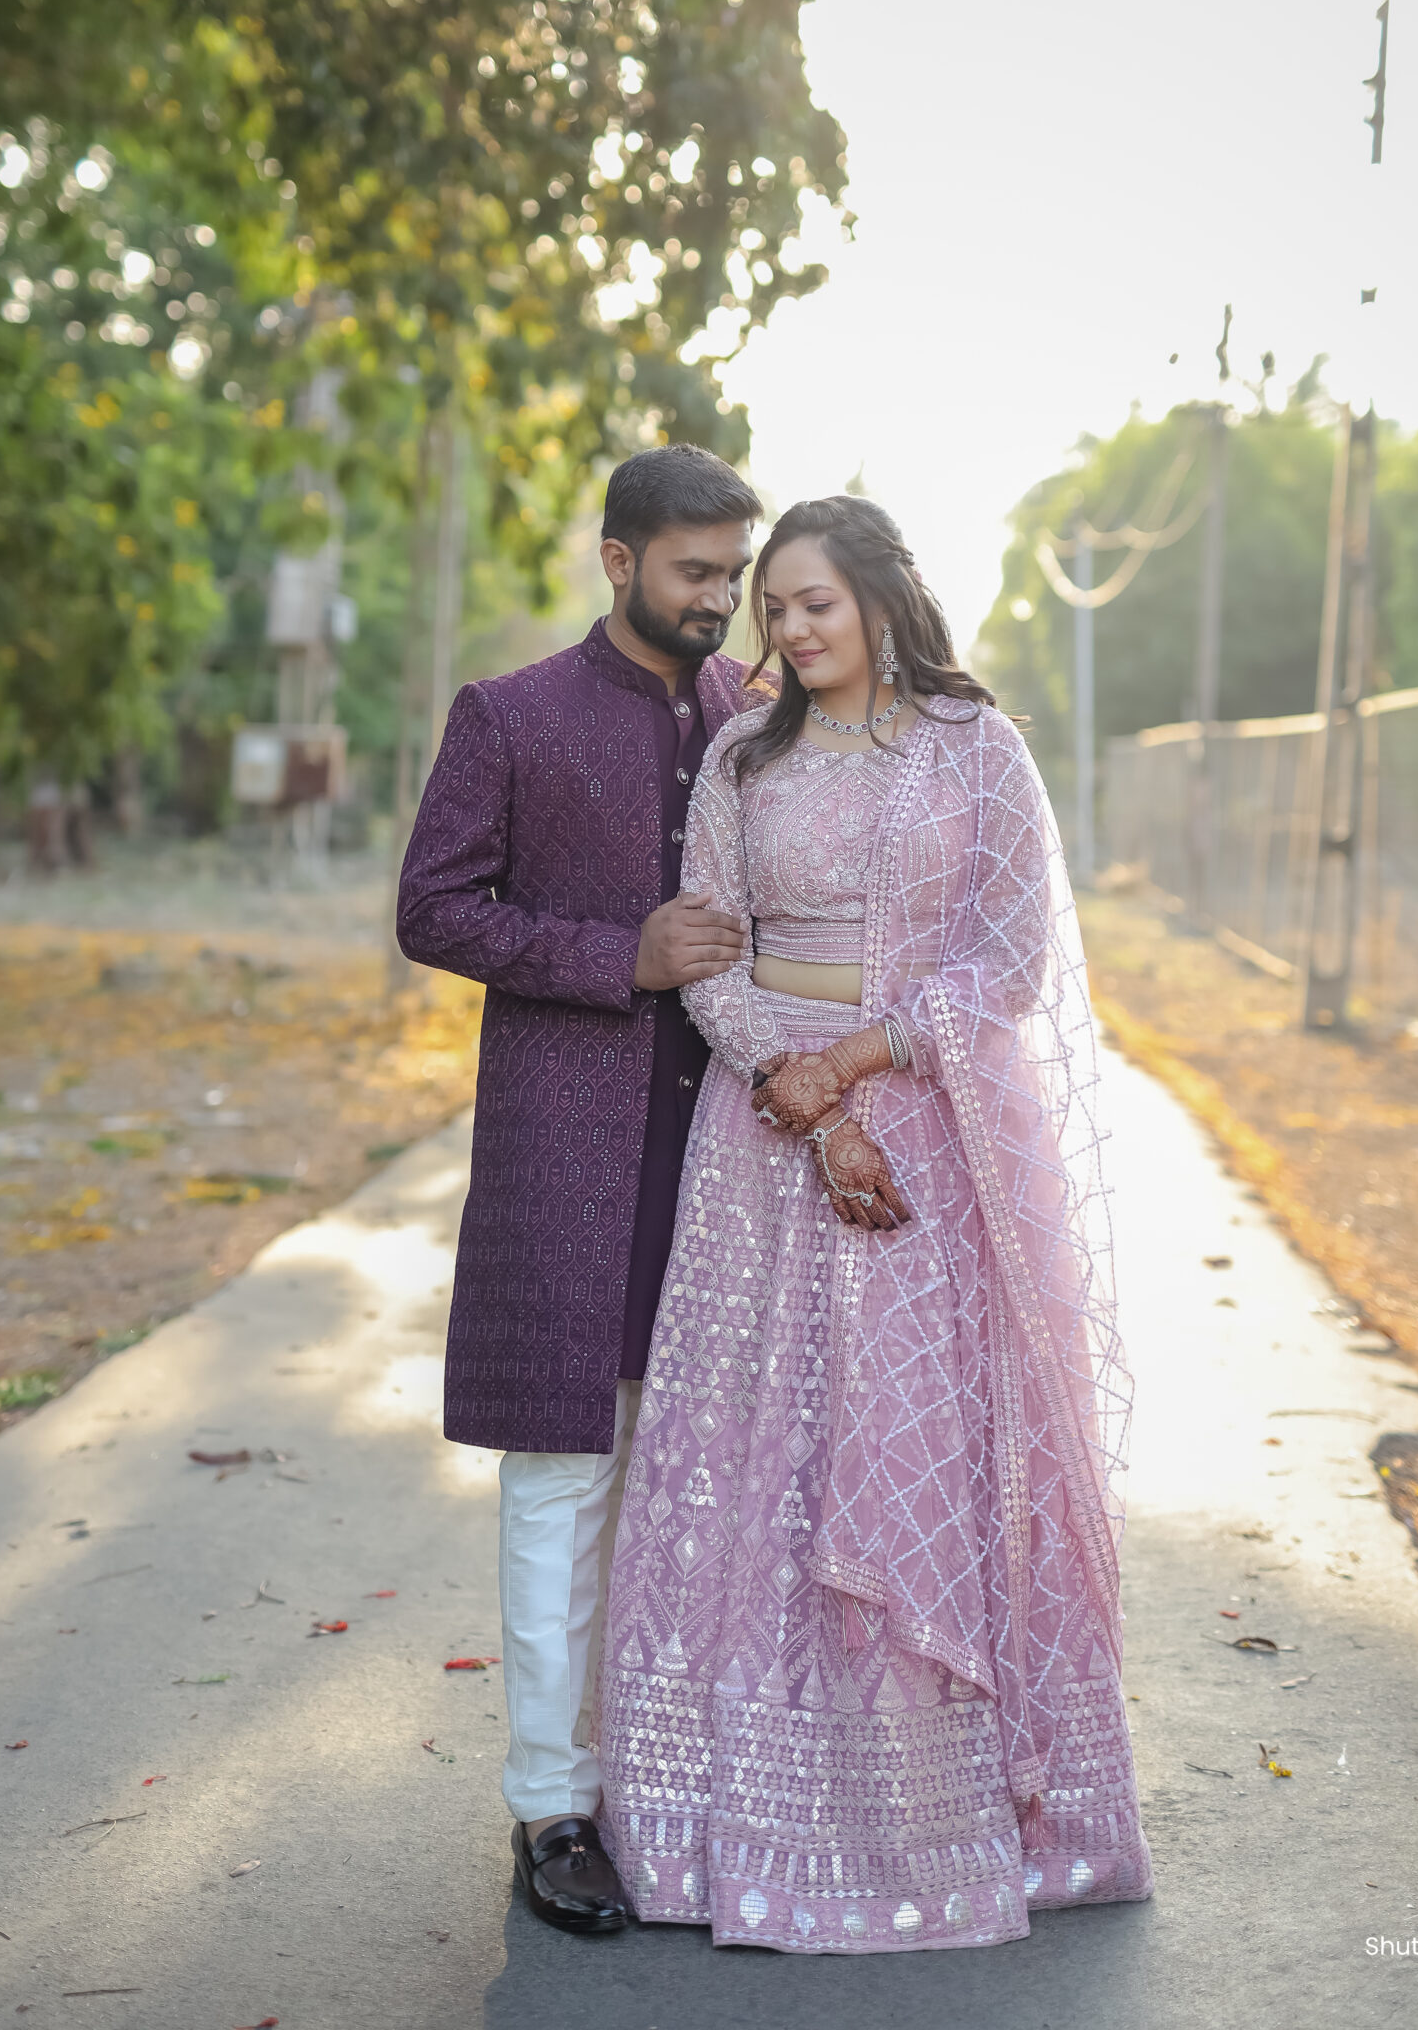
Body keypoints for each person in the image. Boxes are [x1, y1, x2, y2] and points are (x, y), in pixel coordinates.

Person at [594, 494, 1154, 1955]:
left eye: (815, 602)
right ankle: (733, 1827)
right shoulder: (744, 757)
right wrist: (799, 1089)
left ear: (883, 601)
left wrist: (855, 1067)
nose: (789, 628)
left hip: (929, 1135)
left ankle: (937, 1816)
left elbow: (1008, 961)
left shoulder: (976, 749)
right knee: (758, 1459)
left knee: (905, 1444)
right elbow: (706, 946)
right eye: (773, 606)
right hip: (762, 1141)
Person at [396, 442, 763, 1937]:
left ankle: (667, 1785)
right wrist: (622, 955)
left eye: (734, 574)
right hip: (568, 1155)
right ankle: (553, 1807)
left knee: (708, 1485)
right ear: (619, 561)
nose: (720, 600)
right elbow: (433, 908)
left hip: (736, 1160)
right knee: (564, 1481)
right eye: (695, 572)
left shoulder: (760, 716)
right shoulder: (513, 716)